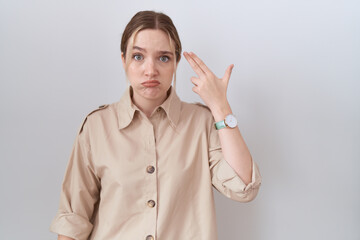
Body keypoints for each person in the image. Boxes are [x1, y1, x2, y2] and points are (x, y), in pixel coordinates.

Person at [50, 10, 261, 240]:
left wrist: (221, 107)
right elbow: (73, 219)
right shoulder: (96, 127)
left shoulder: (201, 123)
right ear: (124, 60)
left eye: (163, 58)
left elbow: (244, 188)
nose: (150, 70)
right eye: (138, 56)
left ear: (176, 62)